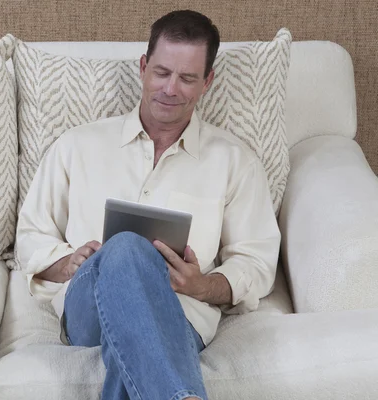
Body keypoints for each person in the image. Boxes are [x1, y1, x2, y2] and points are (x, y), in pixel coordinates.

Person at [16, 9, 280, 400]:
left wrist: (204, 285)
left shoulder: (235, 161)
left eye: (187, 78)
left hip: (182, 315)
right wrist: (68, 262)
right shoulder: (78, 145)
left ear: (207, 81)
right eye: (162, 72)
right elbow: (31, 234)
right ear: (143, 67)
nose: (170, 89)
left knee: (134, 342)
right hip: (90, 307)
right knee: (124, 248)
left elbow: (256, 262)